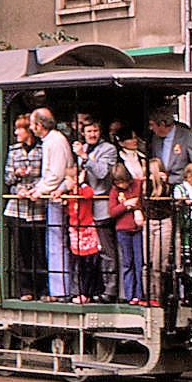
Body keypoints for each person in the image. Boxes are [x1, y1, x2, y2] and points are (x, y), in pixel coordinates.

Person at [31, 107, 73, 300]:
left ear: (40, 125)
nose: (32, 128)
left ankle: (60, 290)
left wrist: (40, 190)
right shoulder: (51, 141)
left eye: (33, 124)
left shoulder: (54, 142)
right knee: (54, 242)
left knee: (57, 243)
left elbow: (55, 173)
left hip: (57, 198)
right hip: (53, 194)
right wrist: (36, 188)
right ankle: (58, 288)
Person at [75, 120, 120, 301]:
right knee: (86, 253)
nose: (92, 134)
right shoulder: (82, 148)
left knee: (107, 252)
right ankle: (90, 289)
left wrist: (86, 158)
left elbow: (102, 173)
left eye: (95, 130)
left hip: (101, 207)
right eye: (89, 131)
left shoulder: (108, 149)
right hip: (84, 209)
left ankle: (110, 290)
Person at [3, 115, 45, 300]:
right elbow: (7, 179)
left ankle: (42, 289)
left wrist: (35, 190)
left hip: (37, 207)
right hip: (17, 208)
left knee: (39, 250)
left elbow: (47, 175)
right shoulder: (13, 151)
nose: (16, 132)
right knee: (21, 251)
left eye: (19, 129)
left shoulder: (42, 150)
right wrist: (18, 178)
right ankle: (25, 290)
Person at [148, 106, 192, 206]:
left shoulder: (186, 136)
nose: (150, 128)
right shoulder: (155, 139)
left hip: (182, 189)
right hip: (162, 190)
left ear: (162, 124)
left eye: (152, 125)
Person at [108, 163, 145, 304]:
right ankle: (130, 295)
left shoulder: (138, 185)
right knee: (127, 263)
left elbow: (142, 201)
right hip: (123, 230)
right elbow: (112, 212)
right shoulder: (114, 191)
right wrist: (126, 205)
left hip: (137, 229)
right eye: (118, 182)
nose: (121, 185)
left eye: (123, 181)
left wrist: (136, 207)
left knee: (139, 262)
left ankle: (140, 294)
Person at [64, 167, 100, 304]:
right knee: (78, 263)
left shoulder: (81, 190)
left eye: (67, 180)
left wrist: (81, 182)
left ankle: (87, 292)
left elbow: (89, 194)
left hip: (86, 229)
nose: (66, 183)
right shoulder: (69, 193)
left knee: (88, 263)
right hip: (75, 230)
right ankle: (78, 291)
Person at [142, 158, 174, 306]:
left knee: (159, 263)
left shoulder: (167, 187)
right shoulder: (145, 186)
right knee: (147, 262)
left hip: (163, 222)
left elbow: (170, 204)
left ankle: (159, 297)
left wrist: (165, 183)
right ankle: (148, 295)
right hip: (149, 222)